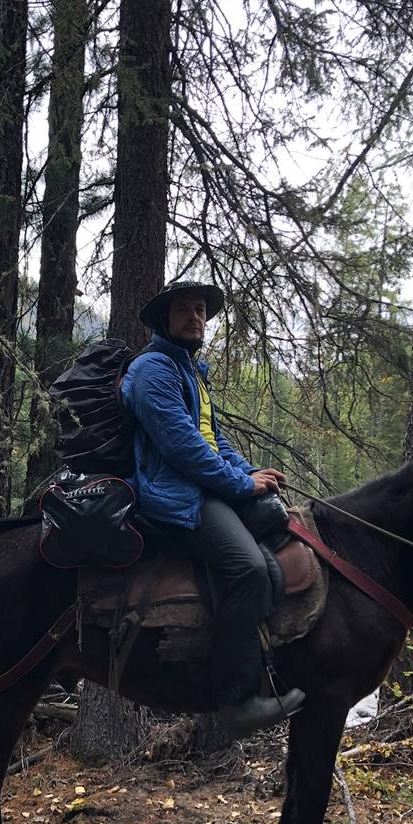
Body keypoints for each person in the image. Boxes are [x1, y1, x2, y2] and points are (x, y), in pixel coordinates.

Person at [120, 281, 305, 734]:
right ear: (165, 320)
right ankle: (236, 700)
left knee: (279, 530)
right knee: (248, 569)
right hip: (174, 494)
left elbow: (214, 440)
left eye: (200, 309)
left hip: (201, 486)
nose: (194, 316)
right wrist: (241, 484)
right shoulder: (152, 370)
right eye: (183, 309)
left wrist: (251, 471)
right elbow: (182, 447)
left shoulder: (190, 370)